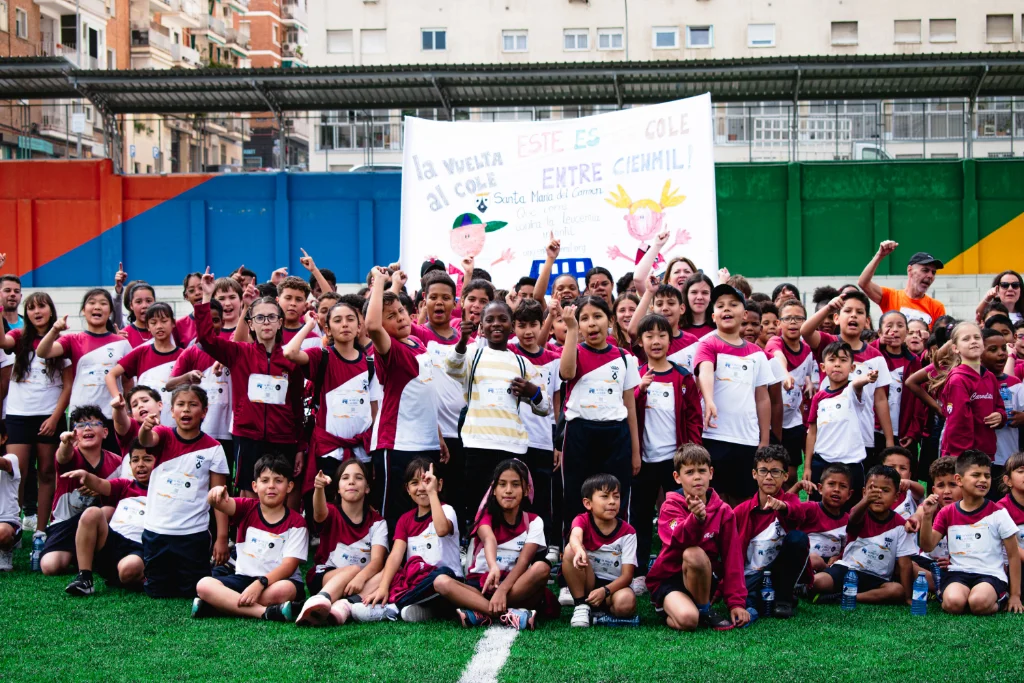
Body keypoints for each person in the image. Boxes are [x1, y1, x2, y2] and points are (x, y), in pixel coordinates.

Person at [196, 269, 304, 505]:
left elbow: (297, 405)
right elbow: (206, 339)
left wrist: (299, 447)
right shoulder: (238, 353)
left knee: (280, 492)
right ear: (251, 324)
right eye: (259, 318)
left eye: (271, 317)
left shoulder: (291, 359)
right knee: (250, 492)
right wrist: (206, 297)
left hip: (283, 437)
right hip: (248, 436)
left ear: (280, 323)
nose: (266, 322)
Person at [365, 266, 444, 534]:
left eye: (400, 311)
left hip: (427, 442)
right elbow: (372, 325)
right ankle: (386, 557)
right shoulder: (390, 350)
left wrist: (438, 435)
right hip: (397, 445)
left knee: (422, 510)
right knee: (393, 513)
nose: (399, 317)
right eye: (391, 316)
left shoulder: (416, 343)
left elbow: (424, 396)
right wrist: (379, 281)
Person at [630, 313, 702, 595]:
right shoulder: (634, 375)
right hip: (643, 461)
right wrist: (639, 391)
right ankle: (639, 572)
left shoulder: (682, 376)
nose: (656, 341)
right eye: (649, 336)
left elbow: (694, 417)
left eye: (662, 335)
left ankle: (676, 568)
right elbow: (626, 413)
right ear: (640, 341)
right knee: (640, 516)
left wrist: (692, 453)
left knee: (679, 515)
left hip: (675, 461)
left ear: (671, 340)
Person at [282, 301, 379, 507]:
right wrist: (309, 325)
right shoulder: (321, 356)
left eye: (350, 319)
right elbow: (290, 352)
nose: (344, 324)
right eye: (337, 320)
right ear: (328, 329)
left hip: (361, 452)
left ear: (359, 327)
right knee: (328, 506)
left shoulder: (370, 364)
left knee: (359, 505)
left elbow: (374, 411)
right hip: (329, 450)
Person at [136, 385, 230, 599]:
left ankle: (223, 570)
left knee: (192, 591)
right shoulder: (162, 435)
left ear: (204, 411)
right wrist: (145, 428)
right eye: (180, 404)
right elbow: (146, 440)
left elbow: (219, 498)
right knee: (157, 592)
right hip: (157, 531)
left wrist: (222, 538)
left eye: (193, 404)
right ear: (172, 411)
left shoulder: (214, 449)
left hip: (193, 534)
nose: (186, 409)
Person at [646, 443, 748, 631]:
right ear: (677, 477)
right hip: (670, 579)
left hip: (704, 578)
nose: (697, 477)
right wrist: (696, 520)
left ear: (711, 473)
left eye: (702, 471)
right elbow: (678, 540)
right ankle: (686, 609)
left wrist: (736, 603)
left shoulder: (724, 511)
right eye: (689, 472)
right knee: (688, 620)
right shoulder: (669, 507)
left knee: (697, 555)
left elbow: (732, 558)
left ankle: (703, 608)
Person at [559, 296, 641, 530]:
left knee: (616, 495)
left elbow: (630, 406)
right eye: (584, 318)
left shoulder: (624, 358)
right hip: (579, 434)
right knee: (576, 496)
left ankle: (617, 546)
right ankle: (574, 547)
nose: (592, 323)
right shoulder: (573, 351)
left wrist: (635, 452)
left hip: (617, 436)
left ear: (610, 320)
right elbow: (566, 372)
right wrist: (571, 330)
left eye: (598, 316)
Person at [195, 456, 308, 621]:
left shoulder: (297, 522)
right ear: (255, 486)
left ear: (289, 486)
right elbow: (220, 503)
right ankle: (265, 612)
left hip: (277, 581)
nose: (271, 486)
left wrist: (260, 583)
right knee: (204, 585)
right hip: (243, 578)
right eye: (265, 480)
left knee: (284, 590)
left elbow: (288, 567)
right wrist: (215, 493)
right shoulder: (246, 507)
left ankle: (220, 605)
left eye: (278, 481)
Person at [350, 460, 461, 624]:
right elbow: (395, 556)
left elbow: (442, 529)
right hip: (417, 585)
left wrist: (432, 494)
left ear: (439, 484)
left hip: (446, 584)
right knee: (396, 573)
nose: (421, 488)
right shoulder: (405, 520)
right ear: (408, 489)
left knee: (440, 575)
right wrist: (383, 587)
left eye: (427, 481)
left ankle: (393, 607)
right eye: (414, 483)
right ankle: (421, 610)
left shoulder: (446, 510)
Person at [693, 284, 774, 506]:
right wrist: (709, 400)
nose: (726, 309)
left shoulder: (757, 354)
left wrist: (764, 440)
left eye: (733, 304)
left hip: (747, 439)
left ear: (744, 314)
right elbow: (705, 371)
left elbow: (763, 398)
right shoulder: (707, 344)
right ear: (713, 316)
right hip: (714, 436)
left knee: (744, 501)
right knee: (715, 500)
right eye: (720, 306)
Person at [0, 292, 71, 541]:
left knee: (48, 473)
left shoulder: (62, 341)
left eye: (41, 306)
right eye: (31, 308)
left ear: (51, 310)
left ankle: (41, 531)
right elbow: (2, 342)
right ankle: (13, 528)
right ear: (26, 313)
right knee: (16, 473)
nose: (37, 311)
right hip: (18, 415)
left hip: (48, 416)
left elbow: (68, 386)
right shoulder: (19, 336)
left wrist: (54, 419)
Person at [919, 450, 1023, 615]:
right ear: (959, 479)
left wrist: (1016, 595)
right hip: (958, 573)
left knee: (979, 603)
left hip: (990, 575)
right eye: (976, 475)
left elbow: (1013, 555)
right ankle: (966, 597)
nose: (983, 480)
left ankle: (999, 599)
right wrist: (926, 516)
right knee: (952, 603)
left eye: (987, 476)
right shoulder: (947, 512)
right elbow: (927, 546)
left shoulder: (998, 513)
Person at [802, 291, 893, 469]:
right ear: (836, 318)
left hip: (862, 436)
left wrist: (889, 440)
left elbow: (880, 400)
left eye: (859, 312)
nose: (853, 315)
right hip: (829, 437)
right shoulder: (827, 344)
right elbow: (805, 331)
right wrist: (828, 308)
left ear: (867, 321)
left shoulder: (876, 357)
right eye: (848, 311)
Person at [35, 289, 133, 454]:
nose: (97, 307)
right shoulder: (72, 340)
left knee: (114, 462)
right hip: (80, 416)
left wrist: (128, 411)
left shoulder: (122, 343)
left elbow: (128, 381)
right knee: (80, 463)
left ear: (110, 311)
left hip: (113, 415)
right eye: (92, 303)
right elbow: (42, 352)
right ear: (83, 310)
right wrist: (54, 330)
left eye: (103, 303)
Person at [458, 459, 551, 629]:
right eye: (502, 484)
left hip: (513, 587)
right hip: (480, 588)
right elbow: (489, 539)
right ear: (494, 489)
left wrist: (502, 590)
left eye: (515, 484)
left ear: (526, 490)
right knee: (441, 582)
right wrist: (493, 566)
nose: (508, 490)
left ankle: (482, 612)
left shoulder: (534, 521)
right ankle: (506, 613)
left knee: (542, 568)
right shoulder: (484, 515)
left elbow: (524, 561)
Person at [296, 461, 387, 627]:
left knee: (391, 571)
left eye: (358, 478)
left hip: (359, 583)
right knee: (353, 569)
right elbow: (318, 513)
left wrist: (360, 578)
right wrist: (319, 488)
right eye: (345, 478)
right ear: (338, 488)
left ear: (367, 488)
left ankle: (345, 605)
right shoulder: (331, 511)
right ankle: (319, 601)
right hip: (326, 577)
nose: (351, 481)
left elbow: (377, 561)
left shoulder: (377, 522)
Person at [810, 465, 915, 605]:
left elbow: (905, 563)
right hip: (847, 570)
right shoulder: (860, 513)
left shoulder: (901, 525)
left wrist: (907, 597)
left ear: (896, 496)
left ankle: (843, 597)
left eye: (885, 490)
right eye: (873, 490)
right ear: (864, 492)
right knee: (818, 582)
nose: (878, 495)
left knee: (896, 590)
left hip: (878, 579)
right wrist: (866, 500)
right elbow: (853, 519)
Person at [409, 271, 465, 531]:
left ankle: (459, 541)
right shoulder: (417, 336)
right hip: (431, 436)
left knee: (459, 493)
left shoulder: (466, 341)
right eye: (433, 297)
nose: (439, 302)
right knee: (432, 493)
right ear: (424, 300)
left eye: (446, 297)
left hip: (463, 434)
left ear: (455, 302)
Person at [40, 406, 123, 576]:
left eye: (94, 423)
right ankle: (81, 555)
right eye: (80, 425)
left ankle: (90, 555)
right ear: (74, 433)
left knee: (108, 510)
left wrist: (101, 490)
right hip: (65, 523)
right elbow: (63, 456)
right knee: (51, 566)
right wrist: (65, 442)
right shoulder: (70, 455)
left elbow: (123, 493)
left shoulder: (117, 462)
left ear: (105, 432)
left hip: (98, 524)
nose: (87, 428)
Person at [62, 441, 153, 595]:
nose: (140, 465)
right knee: (92, 513)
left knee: (128, 569)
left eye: (147, 459)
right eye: (135, 460)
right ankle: (85, 578)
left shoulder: (163, 491)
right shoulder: (125, 486)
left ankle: (137, 577)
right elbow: (100, 483)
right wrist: (86, 476)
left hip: (139, 547)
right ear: (130, 465)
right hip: (112, 541)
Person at [509, 298, 562, 559]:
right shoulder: (508, 353)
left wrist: (557, 443)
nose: (528, 331)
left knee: (541, 497)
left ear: (544, 326)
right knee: (515, 495)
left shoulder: (553, 360)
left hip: (542, 440)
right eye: (521, 325)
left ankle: (542, 551)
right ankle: (515, 546)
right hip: (513, 439)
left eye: (533, 325)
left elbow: (556, 404)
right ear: (513, 327)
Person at [732, 445, 810, 619]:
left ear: (785, 476)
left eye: (775, 472)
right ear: (754, 474)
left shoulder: (791, 500)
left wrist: (783, 507)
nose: (768, 477)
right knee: (749, 602)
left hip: (778, 572)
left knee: (798, 538)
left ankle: (783, 599)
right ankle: (768, 597)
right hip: (752, 576)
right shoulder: (741, 511)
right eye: (763, 471)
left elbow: (799, 514)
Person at [803, 341, 875, 507]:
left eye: (843, 360)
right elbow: (812, 432)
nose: (837, 364)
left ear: (852, 367)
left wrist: (867, 378)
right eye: (832, 360)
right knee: (818, 508)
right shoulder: (819, 397)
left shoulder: (852, 391)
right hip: (822, 461)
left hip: (851, 463)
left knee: (852, 511)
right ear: (823, 367)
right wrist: (807, 466)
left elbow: (857, 384)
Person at [562, 474, 638, 628]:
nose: (612, 501)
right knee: (571, 550)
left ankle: (601, 612)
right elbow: (575, 536)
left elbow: (627, 576)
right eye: (605, 496)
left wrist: (605, 591)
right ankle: (581, 605)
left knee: (626, 603)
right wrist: (579, 550)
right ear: (588, 503)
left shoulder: (628, 532)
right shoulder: (582, 520)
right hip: (588, 582)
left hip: (614, 588)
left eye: (616, 496)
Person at [166, 299, 233, 461]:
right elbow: (169, 385)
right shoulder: (190, 353)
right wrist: (187, 377)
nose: (210, 325)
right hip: (202, 428)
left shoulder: (231, 349)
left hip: (228, 430)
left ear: (223, 323)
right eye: (206, 321)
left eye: (215, 320)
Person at [929, 322, 1006, 460]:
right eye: (966, 339)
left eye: (977, 337)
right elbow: (958, 423)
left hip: (985, 453)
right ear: (955, 348)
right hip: (964, 457)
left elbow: (999, 407)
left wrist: (1000, 416)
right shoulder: (958, 379)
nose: (973, 341)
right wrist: (963, 458)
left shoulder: (990, 377)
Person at [105, 302, 182, 427]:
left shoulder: (184, 355)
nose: (159, 326)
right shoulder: (141, 352)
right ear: (148, 327)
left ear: (173, 323)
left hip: (175, 424)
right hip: (145, 426)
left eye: (164, 321)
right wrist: (119, 400)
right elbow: (111, 375)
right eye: (153, 322)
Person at [765, 300, 816, 480]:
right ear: (779, 323)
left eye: (798, 318)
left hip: (793, 422)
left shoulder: (808, 351)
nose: (793, 322)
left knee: (791, 473)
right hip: (771, 421)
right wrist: (785, 374)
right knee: (772, 471)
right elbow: (778, 356)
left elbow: (803, 382)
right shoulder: (774, 342)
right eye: (787, 318)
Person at [904, 457, 961, 593]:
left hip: (959, 564)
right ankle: (939, 585)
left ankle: (940, 586)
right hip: (930, 562)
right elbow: (919, 513)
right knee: (905, 562)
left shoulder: (968, 510)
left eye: (952, 485)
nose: (946, 491)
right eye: (941, 486)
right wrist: (913, 520)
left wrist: (954, 561)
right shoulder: (931, 506)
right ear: (934, 490)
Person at [858, 241, 945, 328]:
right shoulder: (890, 297)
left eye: (933, 272)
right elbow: (863, 283)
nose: (930, 276)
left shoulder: (936, 307)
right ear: (910, 270)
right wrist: (879, 256)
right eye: (925, 270)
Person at [795, 464, 852, 574]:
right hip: (805, 564)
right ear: (820, 489)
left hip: (831, 569)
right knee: (814, 560)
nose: (836, 489)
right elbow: (786, 509)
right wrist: (797, 487)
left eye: (842, 486)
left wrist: (838, 557)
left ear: (849, 494)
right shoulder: (810, 508)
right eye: (831, 484)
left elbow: (847, 547)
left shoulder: (848, 520)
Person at [997, 452, 1024, 575]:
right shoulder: (1001, 509)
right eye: (1021, 471)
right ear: (1008, 481)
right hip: (1011, 568)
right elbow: (1013, 549)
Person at [0, 424, 20, 571]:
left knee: (2, 533)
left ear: (3, 438)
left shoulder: (11, 459)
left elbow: (5, 464)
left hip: (6, 522)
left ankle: (5, 551)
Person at [122, 282, 156, 348]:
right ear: (131, 305)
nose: (144, 306)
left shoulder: (164, 331)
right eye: (138, 302)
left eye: (148, 301)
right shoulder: (125, 334)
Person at [681, 273, 715, 338]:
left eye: (705, 293)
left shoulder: (719, 327)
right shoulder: (676, 329)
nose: (699, 297)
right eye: (694, 292)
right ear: (686, 295)